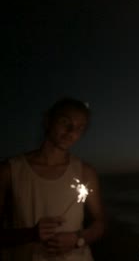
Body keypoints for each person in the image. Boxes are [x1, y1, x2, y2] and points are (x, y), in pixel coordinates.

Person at [0, 98, 106, 260]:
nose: (71, 131)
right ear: (48, 120)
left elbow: (100, 224)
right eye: (65, 122)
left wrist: (77, 239)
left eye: (80, 128)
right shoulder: (9, 170)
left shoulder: (85, 172)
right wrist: (31, 234)